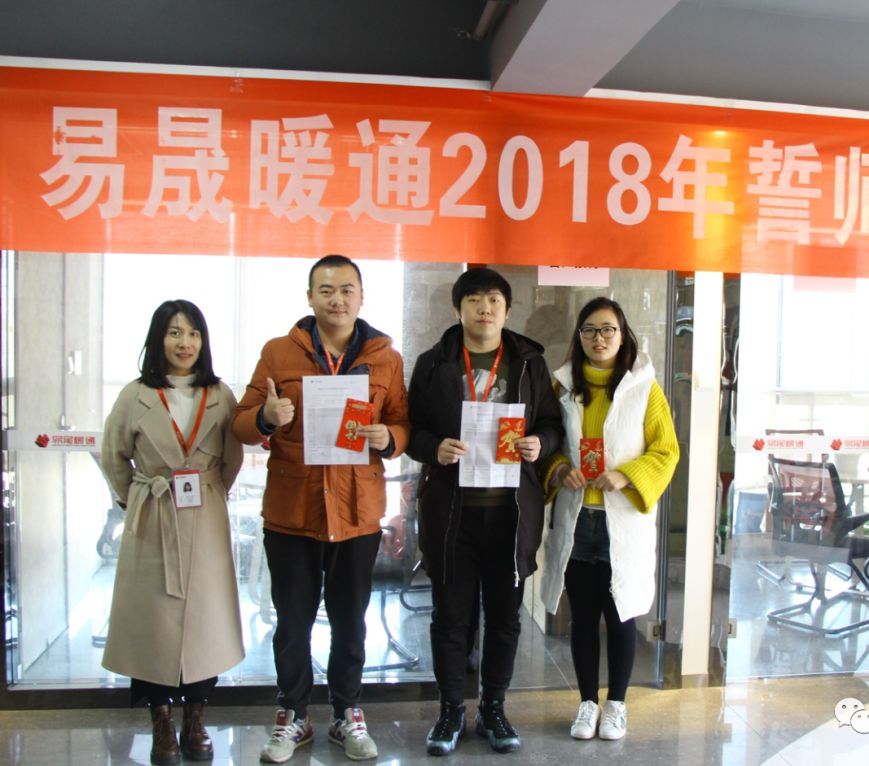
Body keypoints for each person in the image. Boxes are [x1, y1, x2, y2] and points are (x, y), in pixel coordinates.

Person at [232, 254, 410, 763]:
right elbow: (241, 422)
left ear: (362, 297)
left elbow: (404, 423)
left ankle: (346, 712)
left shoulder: (386, 358)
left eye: (347, 290)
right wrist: (266, 418)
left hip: (356, 515)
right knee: (292, 623)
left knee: (351, 623)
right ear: (309, 297)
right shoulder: (278, 352)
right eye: (326, 290)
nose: (337, 299)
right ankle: (292, 714)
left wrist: (388, 437)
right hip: (293, 513)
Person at [407, 267, 563, 756]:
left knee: (504, 619)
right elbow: (411, 429)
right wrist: (434, 448)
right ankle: (451, 709)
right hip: (452, 514)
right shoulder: (434, 363)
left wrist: (540, 443)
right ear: (458, 309)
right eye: (474, 299)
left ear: (507, 310)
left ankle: (494, 707)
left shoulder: (529, 362)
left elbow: (552, 424)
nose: (485, 308)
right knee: (450, 618)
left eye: (494, 299)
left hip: (509, 516)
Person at [101, 299, 244, 765]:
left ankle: (195, 717)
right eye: (175, 332)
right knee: (151, 623)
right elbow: (113, 455)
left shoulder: (220, 394)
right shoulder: (135, 395)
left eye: (194, 333)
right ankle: (160, 719)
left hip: (205, 517)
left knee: (206, 621)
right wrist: (135, 497)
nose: (185, 343)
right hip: (152, 517)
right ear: (158, 339)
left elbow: (232, 456)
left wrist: (210, 490)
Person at [540, 297, 679, 742]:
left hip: (622, 521)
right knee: (583, 618)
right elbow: (548, 442)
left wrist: (627, 474)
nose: (598, 338)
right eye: (589, 330)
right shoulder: (563, 387)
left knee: (621, 615)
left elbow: (666, 451)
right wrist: (560, 468)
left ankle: (616, 704)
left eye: (608, 330)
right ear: (579, 336)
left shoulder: (645, 389)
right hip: (578, 519)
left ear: (623, 336)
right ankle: (587, 703)